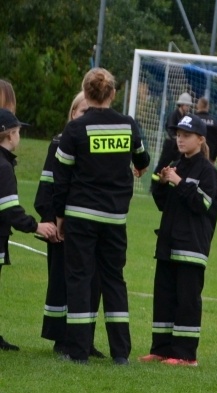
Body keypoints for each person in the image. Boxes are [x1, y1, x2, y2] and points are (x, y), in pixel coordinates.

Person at [53, 67, 150, 365]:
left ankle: (78, 351)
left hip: (81, 215)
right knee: (114, 281)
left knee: (80, 279)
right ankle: (121, 353)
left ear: (86, 92)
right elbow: (143, 159)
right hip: (115, 218)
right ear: (113, 94)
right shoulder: (128, 125)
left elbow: (61, 177)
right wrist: (137, 167)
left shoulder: (75, 129)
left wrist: (59, 217)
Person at [138, 114, 217, 367]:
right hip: (168, 244)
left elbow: (202, 204)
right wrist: (164, 183)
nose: (180, 139)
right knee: (163, 297)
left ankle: (186, 355)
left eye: (186, 135)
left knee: (186, 300)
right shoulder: (176, 164)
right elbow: (163, 204)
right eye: (178, 134)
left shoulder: (208, 171)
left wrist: (179, 182)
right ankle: (162, 349)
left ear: (200, 139)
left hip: (191, 248)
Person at [34, 91, 106, 358]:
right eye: (81, 111)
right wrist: (52, 222)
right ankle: (62, 338)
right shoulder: (59, 143)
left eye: (90, 112)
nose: (86, 116)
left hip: (92, 227)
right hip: (65, 227)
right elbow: (48, 187)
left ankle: (84, 339)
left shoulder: (98, 144)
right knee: (64, 282)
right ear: (72, 114)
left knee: (92, 283)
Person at [0, 108, 59, 351]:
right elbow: (9, 209)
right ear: (10, 135)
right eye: (18, 132)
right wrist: (36, 226)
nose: (19, 137)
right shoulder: (3, 167)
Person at [153, 92, 192, 178]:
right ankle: (154, 184)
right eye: (187, 105)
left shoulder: (185, 117)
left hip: (178, 146)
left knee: (178, 166)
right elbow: (169, 128)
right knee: (163, 164)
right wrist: (176, 139)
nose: (188, 107)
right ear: (181, 104)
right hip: (170, 145)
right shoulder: (174, 115)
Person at [194, 97, 217, 164]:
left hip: (195, 155)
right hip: (209, 157)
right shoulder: (214, 122)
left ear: (198, 106)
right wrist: (214, 158)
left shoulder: (193, 120)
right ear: (208, 107)